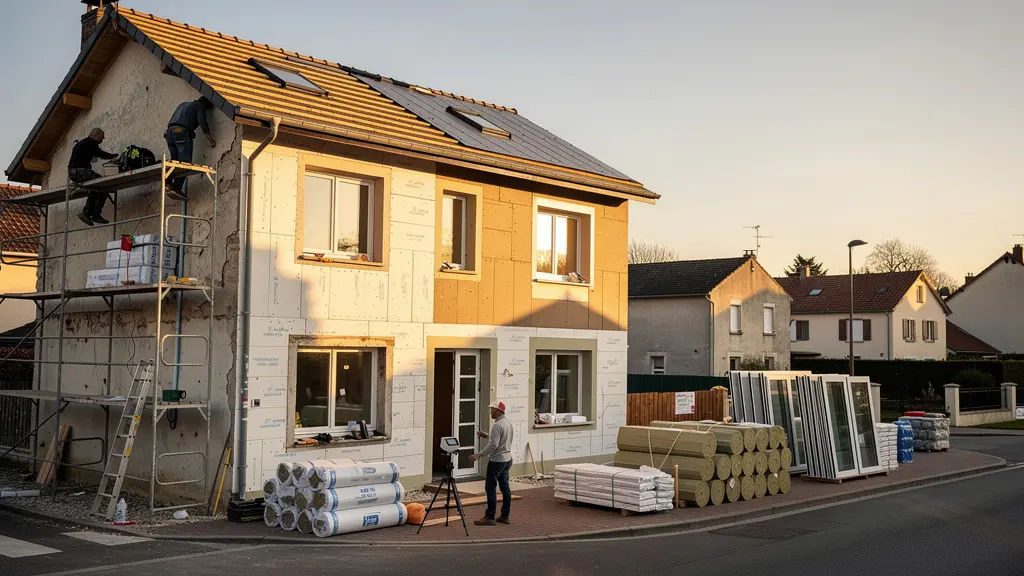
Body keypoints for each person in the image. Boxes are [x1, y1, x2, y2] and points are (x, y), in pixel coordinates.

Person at [470, 401, 514, 525]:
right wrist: (487, 436)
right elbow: (500, 439)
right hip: (507, 459)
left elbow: (494, 444)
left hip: (497, 461)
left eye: (493, 409)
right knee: (505, 487)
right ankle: (505, 515)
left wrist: (478, 454)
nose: (491, 412)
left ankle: (490, 517)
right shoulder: (508, 424)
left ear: (499, 411)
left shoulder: (497, 425)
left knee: (490, 487)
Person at [164, 96, 216, 201]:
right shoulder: (200, 106)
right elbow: (202, 122)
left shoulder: (183, 104)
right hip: (180, 131)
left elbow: (172, 121)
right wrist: (210, 140)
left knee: (174, 161)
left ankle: (168, 183)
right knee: (186, 162)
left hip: (169, 133)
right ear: (205, 104)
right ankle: (177, 187)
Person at [69, 127, 119, 226]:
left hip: (74, 172)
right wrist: (115, 155)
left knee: (95, 188)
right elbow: (101, 154)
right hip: (80, 171)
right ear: (96, 135)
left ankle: (87, 213)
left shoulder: (83, 143)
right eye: (102, 137)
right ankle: (95, 214)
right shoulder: (90, 143)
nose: (103, 139)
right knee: (103, 184)